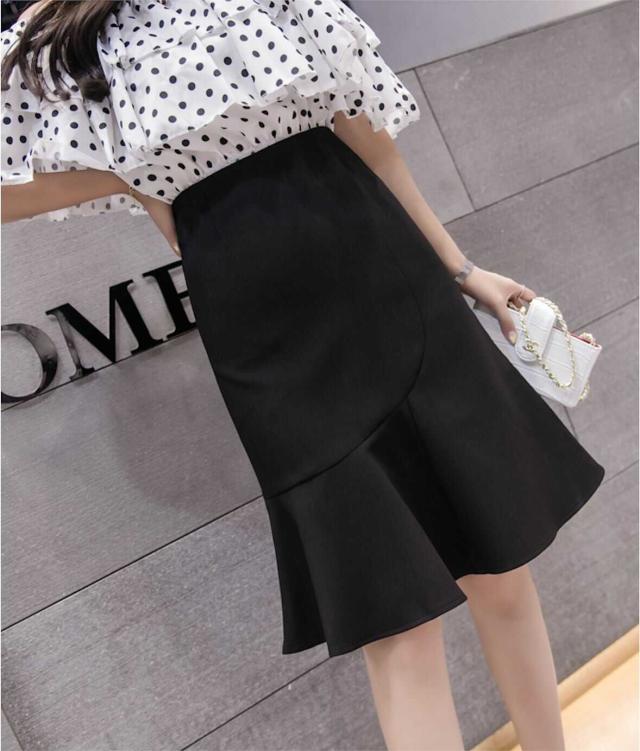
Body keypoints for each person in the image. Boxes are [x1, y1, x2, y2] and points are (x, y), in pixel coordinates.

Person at [0, 1, 605, 748]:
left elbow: (368, 138)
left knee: (500, 565)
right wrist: (127, 174)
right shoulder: (72, 40)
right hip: (264, 339)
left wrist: (463, 270)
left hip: (386, 276)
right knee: (394, 622)